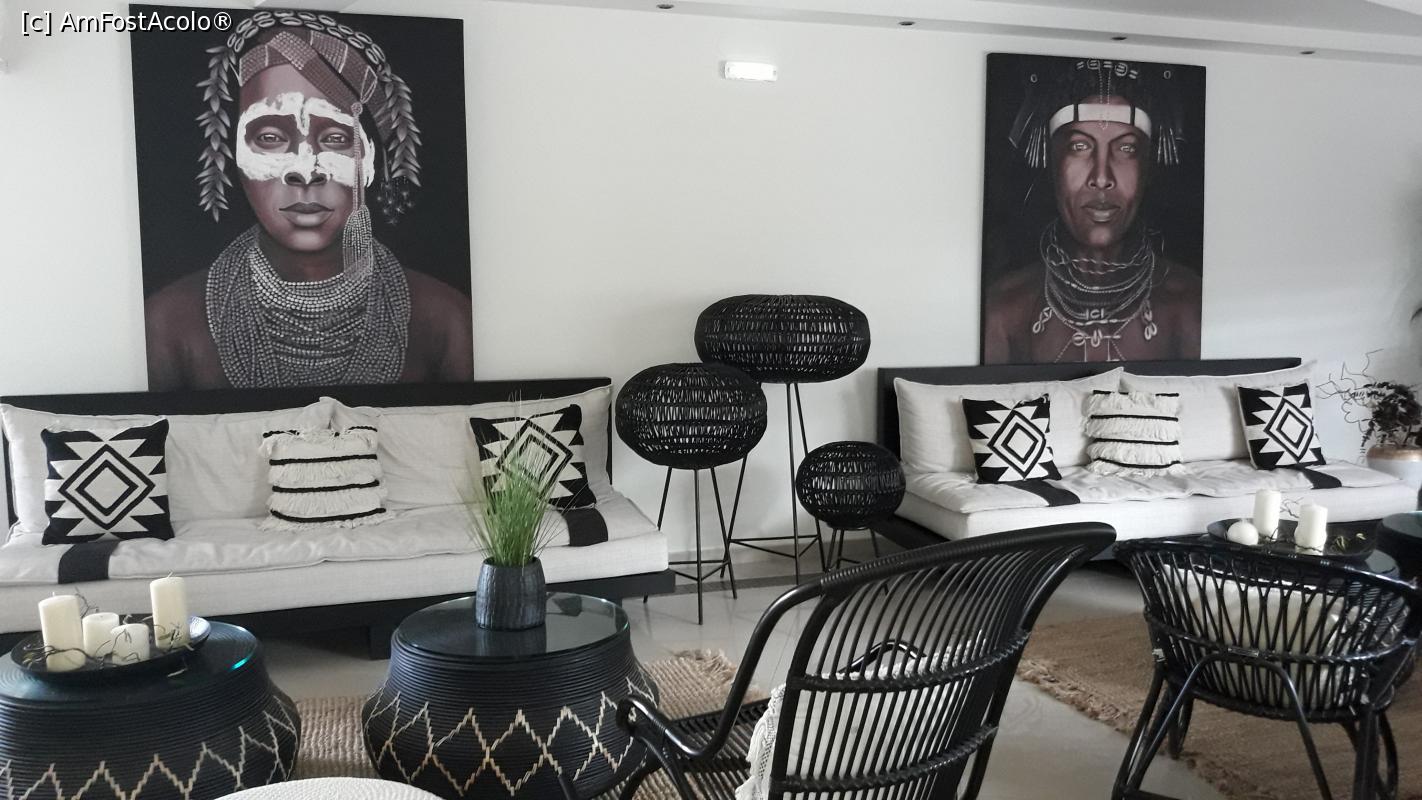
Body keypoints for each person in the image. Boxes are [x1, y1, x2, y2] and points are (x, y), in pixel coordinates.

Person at [145, 11, 472, 390]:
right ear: (233, 154)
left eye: (335, 138)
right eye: (269, 137)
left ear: (371, 161)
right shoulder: (170, 324)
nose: (304, 170)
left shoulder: (444, 321)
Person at [982, 58, 1201, 364]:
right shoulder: (1004, 311)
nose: (1101, 177)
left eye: (1126, 148)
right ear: (1051, 162)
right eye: (1079, 146)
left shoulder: (1189, 305)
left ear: (1148, 168)